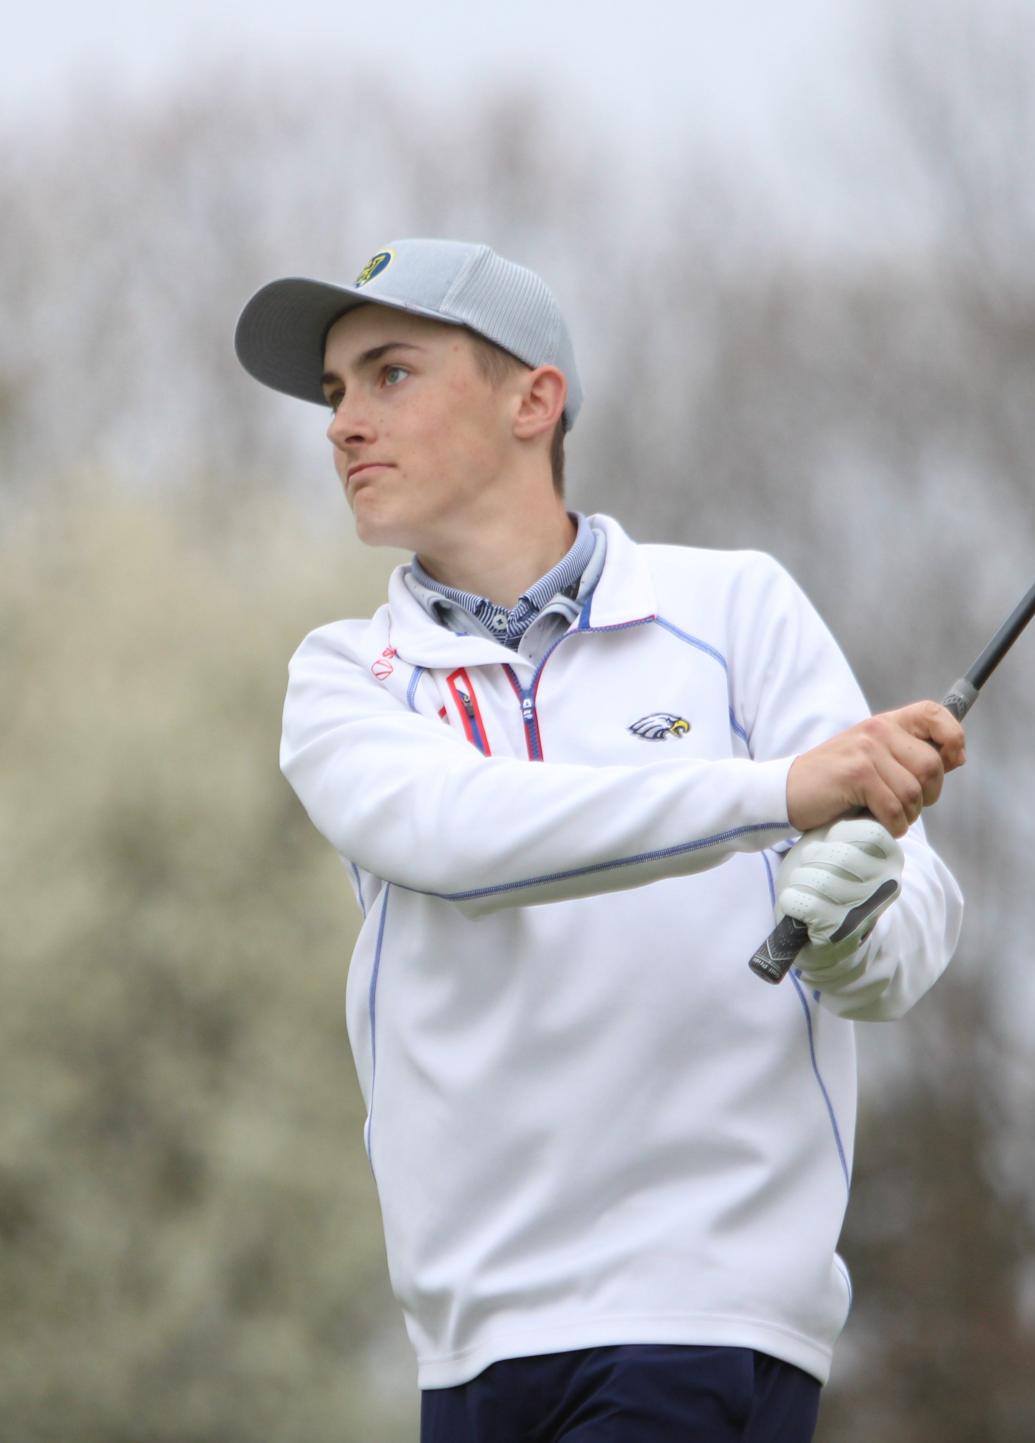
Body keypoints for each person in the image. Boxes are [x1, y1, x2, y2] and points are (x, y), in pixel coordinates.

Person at [234, 239, 966, 1443]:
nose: (345, 424)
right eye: (334, 392)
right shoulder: (344, 678)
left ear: (535, 398)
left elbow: (913, 929)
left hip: (702, 1314)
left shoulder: (738, 611)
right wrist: (776, 793)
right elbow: (464, 837)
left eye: (391, 374)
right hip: (468, 1346)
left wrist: (850, 927)